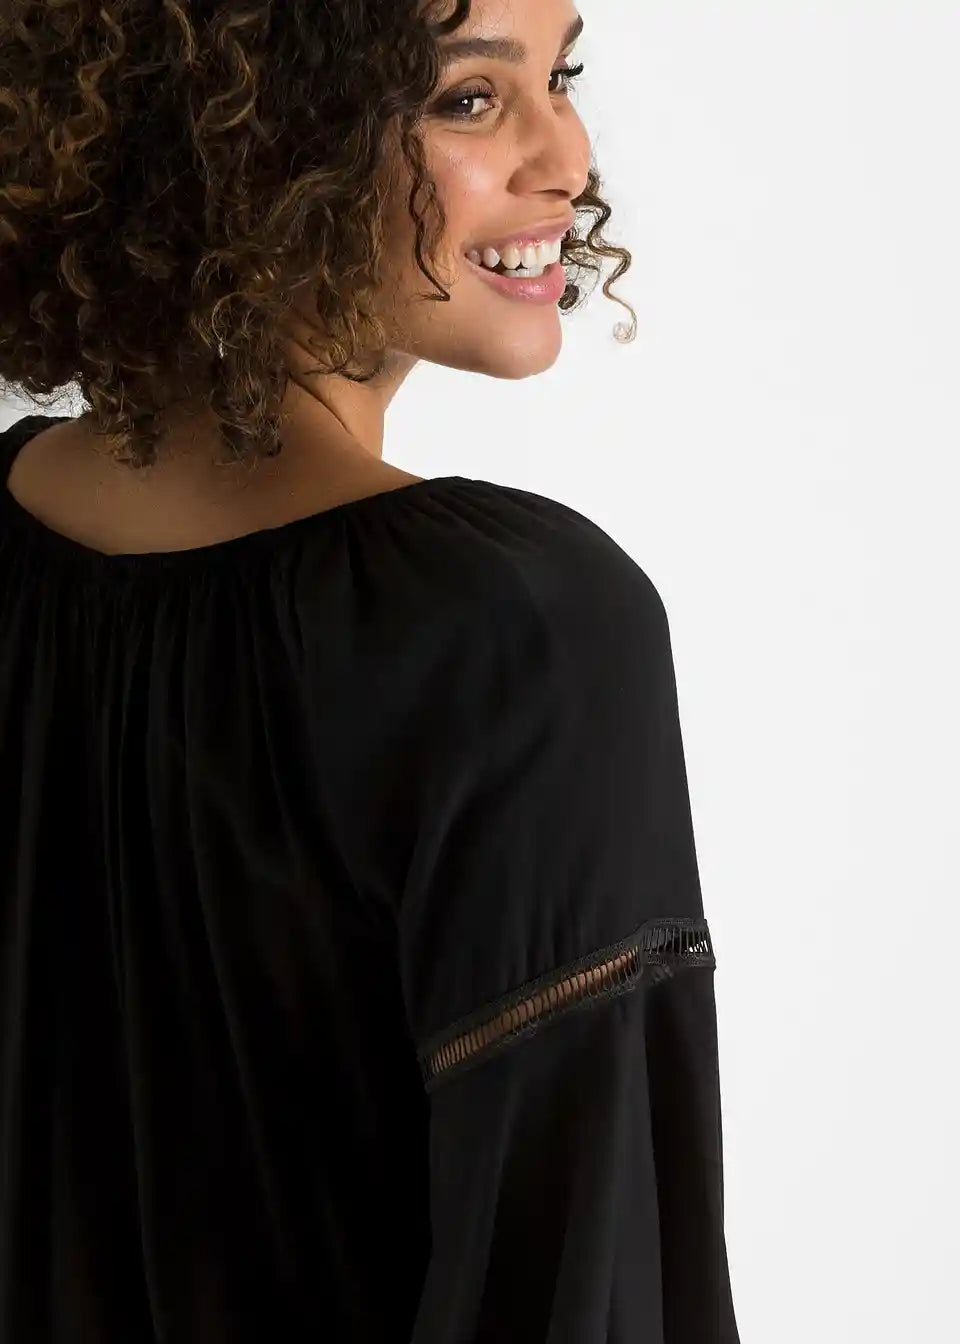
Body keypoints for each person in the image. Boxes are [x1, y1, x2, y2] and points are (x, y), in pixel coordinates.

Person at [0, 0, 741, 1339]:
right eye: (469, 98)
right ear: (256, 137)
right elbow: (572, 1279)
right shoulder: (511, 631)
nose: (566, 154)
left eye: (560, 76)